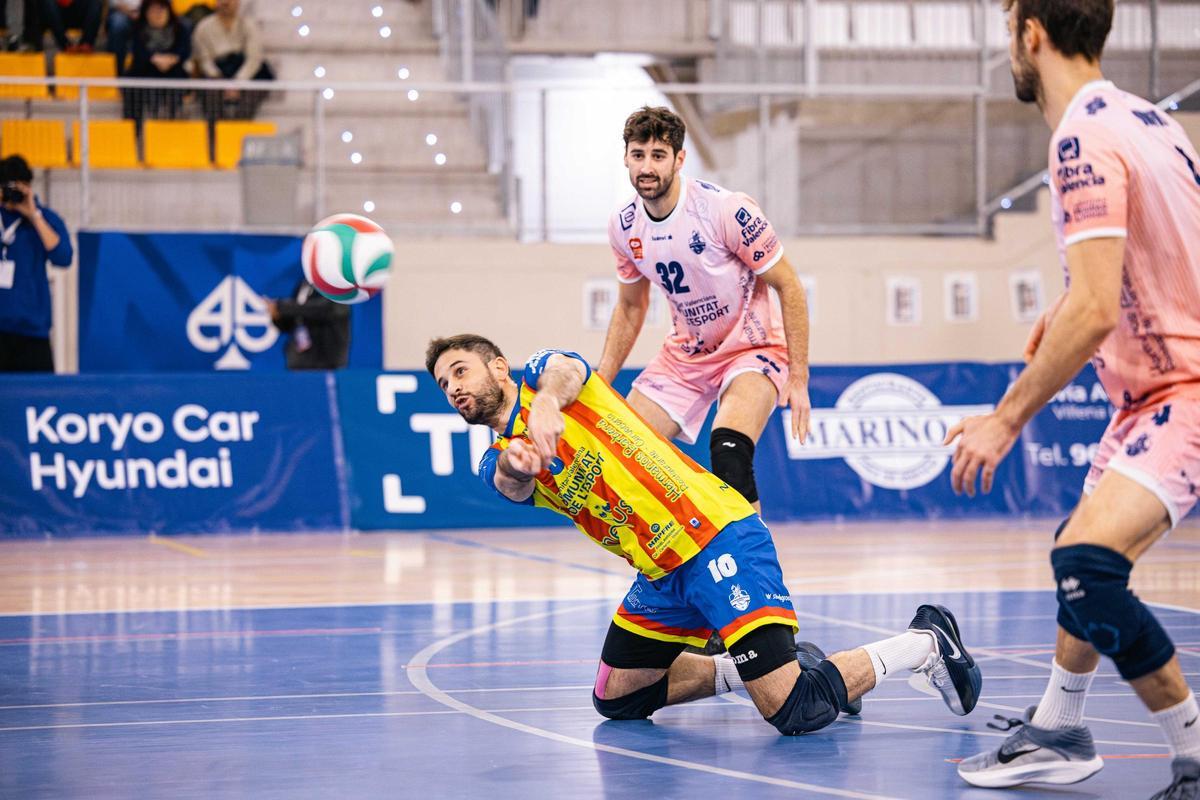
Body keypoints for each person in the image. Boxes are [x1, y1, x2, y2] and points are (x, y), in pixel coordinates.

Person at [426, 334, 984, 736]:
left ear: (498, 367)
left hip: (715, 536)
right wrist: (521, 461)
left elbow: (567, 373)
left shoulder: (550, 376)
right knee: (618, 697)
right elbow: (511, 483)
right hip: (663, 575)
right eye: (443, 383)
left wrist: (545, 407)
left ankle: (925, 642)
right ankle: (756, 665)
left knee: (795, 711)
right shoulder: (496, 460)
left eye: (460, 371)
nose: (453, 388)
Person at [945, 0, 1200, 796]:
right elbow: (1152, 261)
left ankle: (1193, 756)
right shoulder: (1151, 119)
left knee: (1086, 564)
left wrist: (1004, 419)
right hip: (1152, 391)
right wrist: (1078, 304)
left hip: (1181, 390)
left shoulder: (1082, 133)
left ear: (1031, 34)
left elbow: (1094, 310)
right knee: (1076, 542)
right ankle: (1059, 728)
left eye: (1009, 30)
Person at [598, 106, 811, 521]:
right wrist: (601, 382)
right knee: (624, 458)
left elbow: (790, 285)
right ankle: (673, 567)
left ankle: (754, 571)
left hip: (753, 347)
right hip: (687, 355)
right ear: (625, 157)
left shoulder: (725, 210)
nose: (646, 166)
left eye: (658, 155)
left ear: (679, 160)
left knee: (728, 452)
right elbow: (630, 305)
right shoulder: (623, 225)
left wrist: (799, 376)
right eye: (638, 154)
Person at [0, 155, 73, 372]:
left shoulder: (45, 218)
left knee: (38, 397)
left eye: (18, 188)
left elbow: (63, 257)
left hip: (32, 333)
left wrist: (34, 215)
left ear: (28, 187)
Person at [191, 0, 272, 122]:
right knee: (208, 93)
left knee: (258, 87)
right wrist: (219, 80)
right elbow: (204, 59)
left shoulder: (249, 25)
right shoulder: (204, 27)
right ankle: (217, 130)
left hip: (244, 71)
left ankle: (240, 128)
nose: (226, 3)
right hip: (217, 72)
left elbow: (254, 58)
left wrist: (238, 82)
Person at [122, 0, 190, 122]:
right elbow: (138, 53)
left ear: (169, 11)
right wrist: (154, 58)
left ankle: (174, 121)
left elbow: (184, 51)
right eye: (153, 11)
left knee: (179, 76)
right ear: (145, 13)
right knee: (131, 78)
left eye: (161, 10)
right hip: (145, 70)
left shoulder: (180, 28)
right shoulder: (137, 28)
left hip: (173, 69)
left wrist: (171, 59)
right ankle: (134, 128)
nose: (158, 14)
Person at [267, 279, 350, 370]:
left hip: (326, 363)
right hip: (299, 362)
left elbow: (323, 309)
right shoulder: (303, 284)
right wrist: (276, 316)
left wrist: (281, 307)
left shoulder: (336, 285)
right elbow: (292, 322)